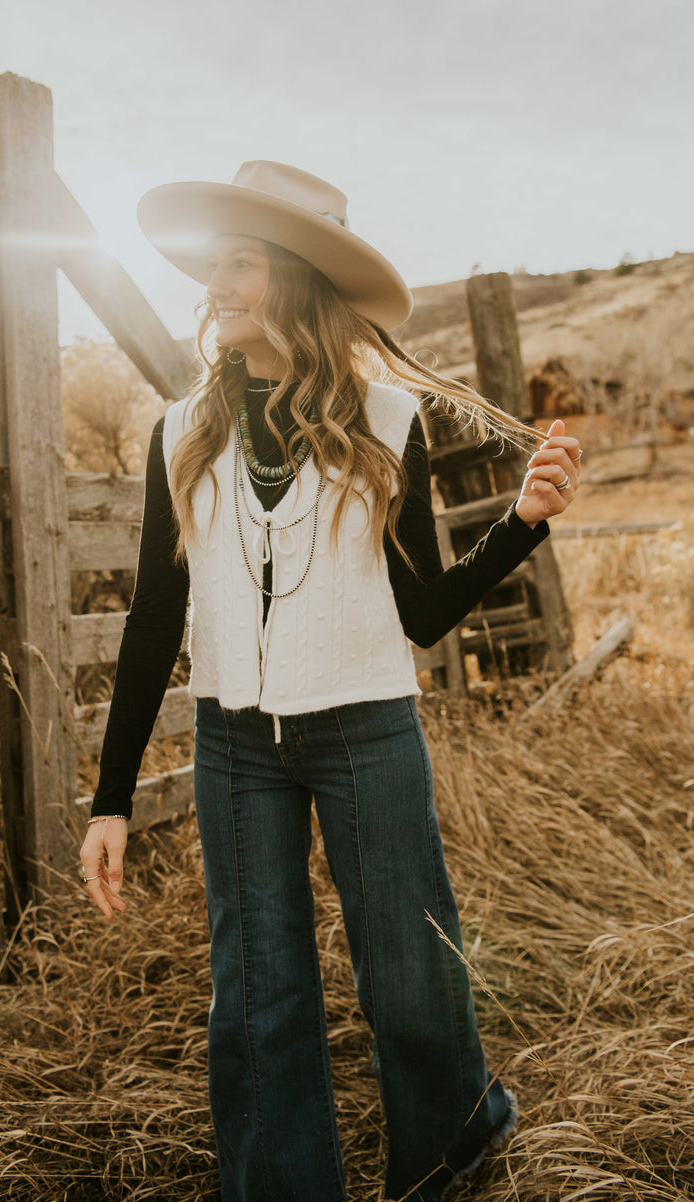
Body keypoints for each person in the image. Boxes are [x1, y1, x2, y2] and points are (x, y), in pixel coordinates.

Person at [79, 161, 581, 1202]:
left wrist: (520, 526)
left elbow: (424, 613)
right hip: (230, 749)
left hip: (366, 731)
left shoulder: (388, 421)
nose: (213, 283)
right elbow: (151, 622)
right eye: (212, 262)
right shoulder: (180, 431)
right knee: (255, 995)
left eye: (240, 264)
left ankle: (450, 1148)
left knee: (405, 976)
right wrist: (113, 795)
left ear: (297, 282)